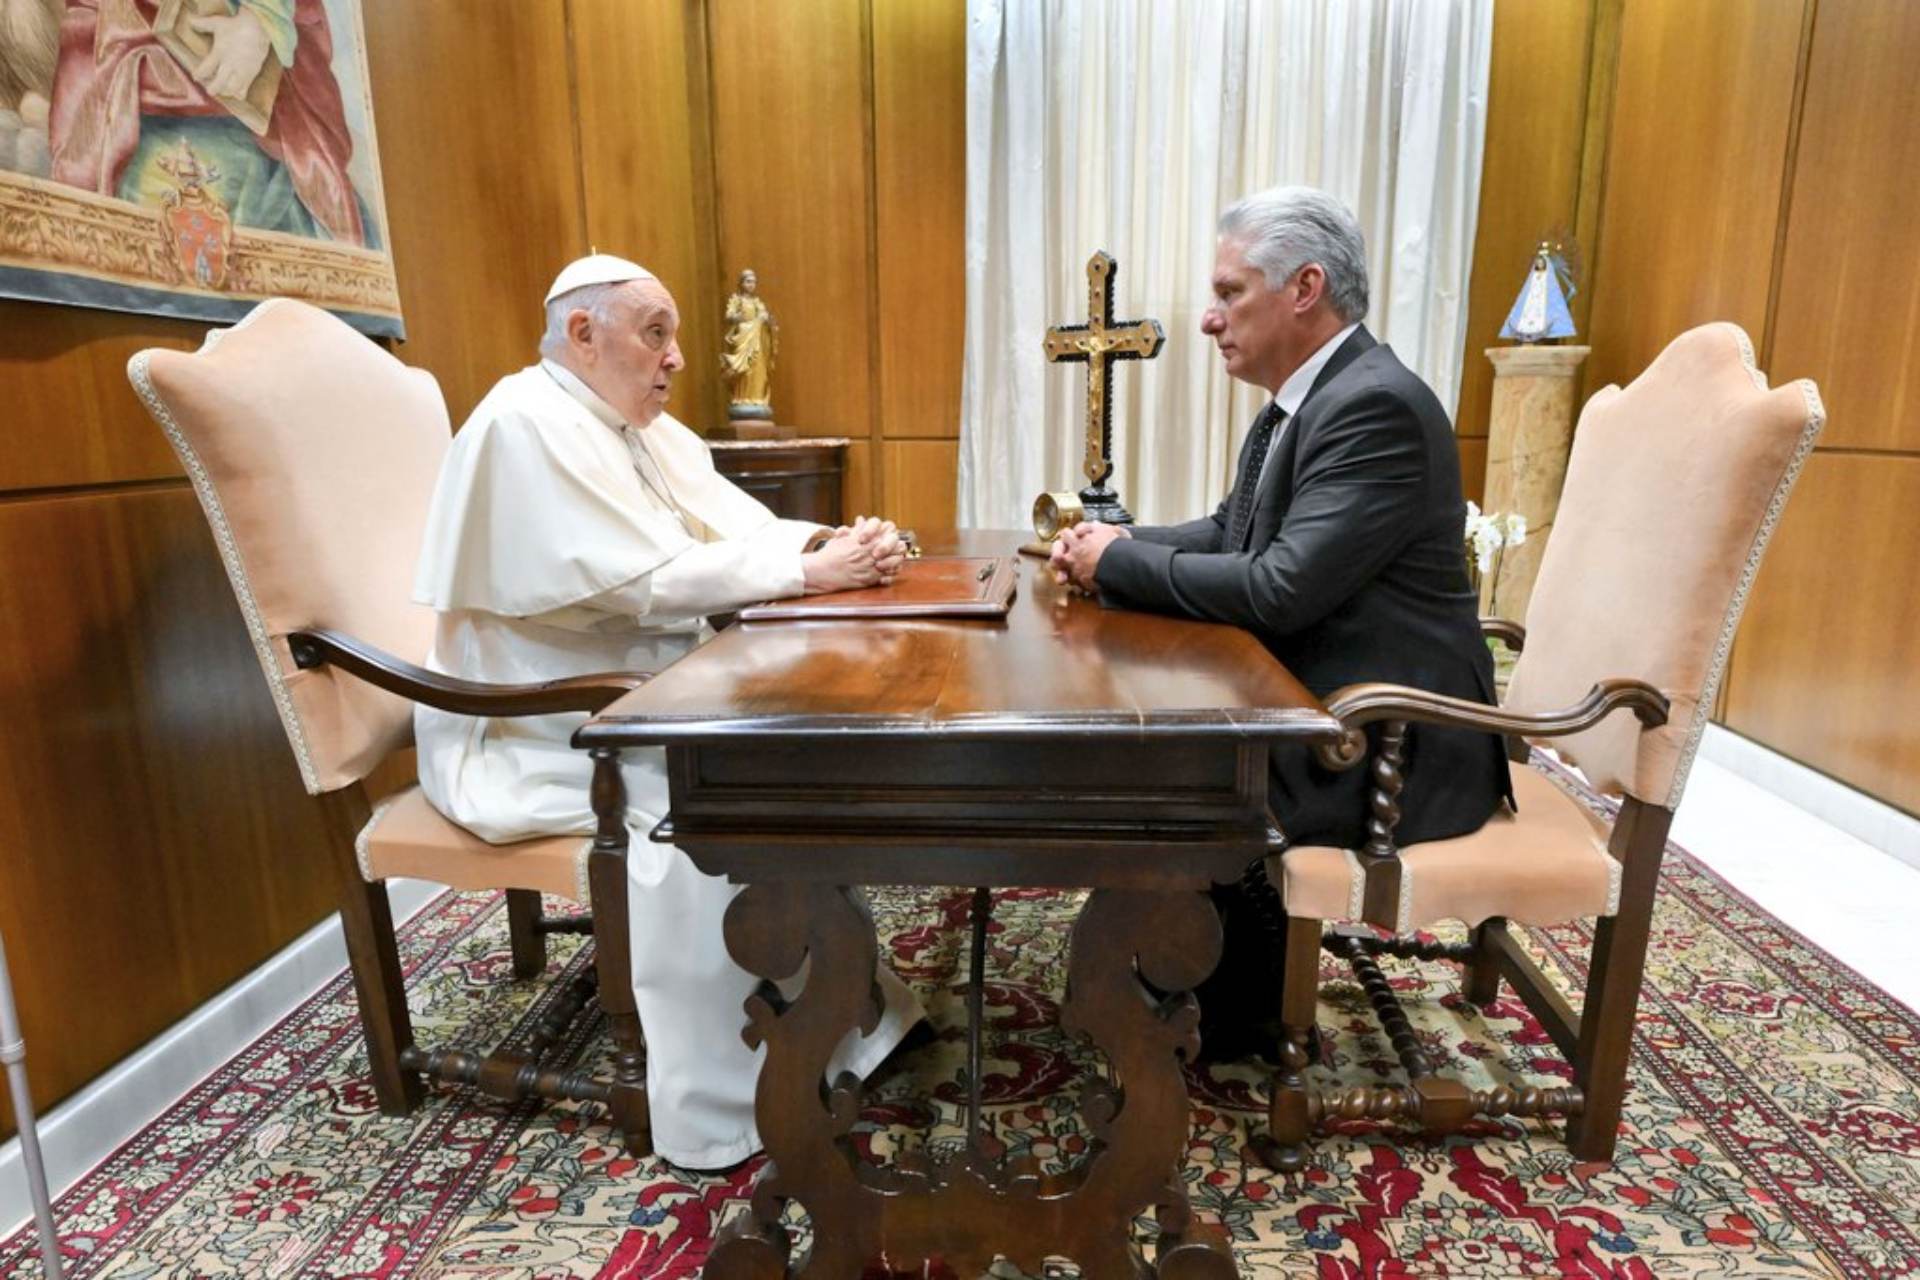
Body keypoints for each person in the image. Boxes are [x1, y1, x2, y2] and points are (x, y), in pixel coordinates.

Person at [412, 254, 922, 1170]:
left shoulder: (631, 425)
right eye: (656, 333)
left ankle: (837, 1020)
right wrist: (808, 572)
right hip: (541, 723)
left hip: (638, 695)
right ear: (582, 333)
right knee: (708, 804)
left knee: (792, 758)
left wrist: (825, 542)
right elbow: (639, 582)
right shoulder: (524, 423)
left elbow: (725, 523)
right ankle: (732, 1101)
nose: (677, 358)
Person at [1050, 186, 1512, 1055]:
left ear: (1304, 288)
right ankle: (1194, 972)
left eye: (1229, 293)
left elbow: (1278, 590)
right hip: (1326, 701)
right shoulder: (1310, 400)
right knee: (1152, 742)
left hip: (1391, 742)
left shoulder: (1374, 407)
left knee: (1162, 765)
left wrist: (1117, 564)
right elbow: (1231, 533)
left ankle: (1223, 1005)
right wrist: (1114, 541)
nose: (1208, 319)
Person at [719, 268, 776, 416]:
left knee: (757, 369)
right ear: (742, 283)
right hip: (743, 337)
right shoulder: (737, 300)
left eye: (754, 282)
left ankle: (756, 398)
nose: (751, 285)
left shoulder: (757, 303)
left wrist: (767, 320)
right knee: (743, 371)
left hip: (756, 339)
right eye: (748, 281)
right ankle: (742, 398)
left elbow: (766, 319)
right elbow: (729, 316)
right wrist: (740, 317)